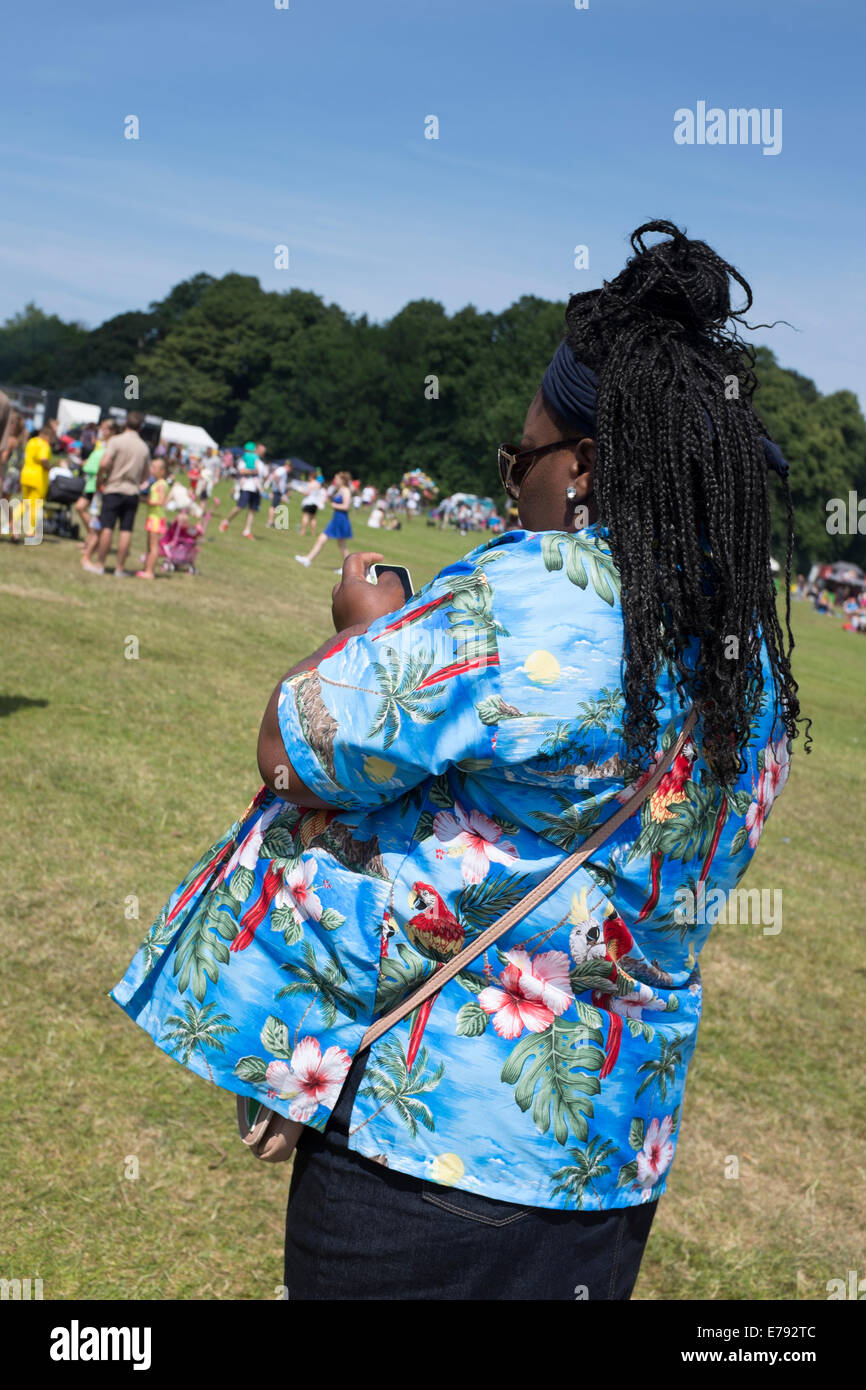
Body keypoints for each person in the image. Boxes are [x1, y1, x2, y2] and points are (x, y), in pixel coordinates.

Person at [112, 221, 806, 1301]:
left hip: (425, 1153)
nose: (510, 485)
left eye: (516, 459)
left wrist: (362, 628)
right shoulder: (750, 665)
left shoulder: (527, 593)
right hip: (607, 1163)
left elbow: (294, 751)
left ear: (578, 467)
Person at [83, 411, 152, 576]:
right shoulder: (143, 447)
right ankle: (120, 568)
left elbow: (104, 463)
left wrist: (101, 480)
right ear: (141, 427)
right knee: (126, 530)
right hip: (132, 492)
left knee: (107, 527)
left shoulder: (116, 441)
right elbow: (146, 476)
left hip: (113, 489)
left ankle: (100, 564)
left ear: (125, 423)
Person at [295, 471, 353, 568]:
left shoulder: (346, 490)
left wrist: (334, 505)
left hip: (341, 520)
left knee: (342, 546)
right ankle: (308, 560)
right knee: (321, 539)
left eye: (337, 479)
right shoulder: (339, 489)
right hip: (336, 519)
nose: (335, 480)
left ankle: (350, 568)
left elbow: (346, 506)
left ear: (342, 480)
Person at [219, 441, 266, 539]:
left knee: (252, 510)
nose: (263, 453)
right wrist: (253, 471)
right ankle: (226, 521)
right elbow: (241, 471)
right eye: (262, 450)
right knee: (240, 507)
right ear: (256, 450)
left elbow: (263, 475)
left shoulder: (261, 463)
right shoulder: (244, 459)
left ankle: (247, 530)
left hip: (256, 489)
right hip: (247, 487)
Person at [135, 458, 168, 579]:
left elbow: (160, 501)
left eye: (154, 467)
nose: (151, 469)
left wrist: (147, 501)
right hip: (152, 518)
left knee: (154, 546)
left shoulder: (161, 484)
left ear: (162, 471)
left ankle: (150, 572)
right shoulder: (155, 483)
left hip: (157, 519)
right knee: (149, 545)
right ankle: (146, 568)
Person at [267, 459, 290, 527]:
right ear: (288, 466)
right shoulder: (282, 470)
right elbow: (275, 476)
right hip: (278, 491)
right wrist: (279, 486)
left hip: (278, 491)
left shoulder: (283, 470)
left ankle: (271, 521)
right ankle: (270, 521)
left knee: (275, 506)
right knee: (273, 506)